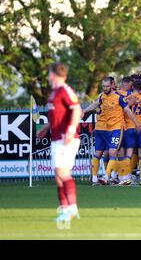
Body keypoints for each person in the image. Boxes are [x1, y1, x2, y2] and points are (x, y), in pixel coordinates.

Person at [36, 63, 82, 222]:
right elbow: (57, 115)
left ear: (53, 75)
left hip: (66, 138)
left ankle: (72, 208)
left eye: (49, 73)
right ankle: (65, 209)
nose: (49, 76)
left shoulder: (64, 90)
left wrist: (70, 130)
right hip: (56, 137)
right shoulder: (53, 93)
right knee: (58, 174)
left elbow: (77, 110)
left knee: (62, 172)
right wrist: (45, 128)